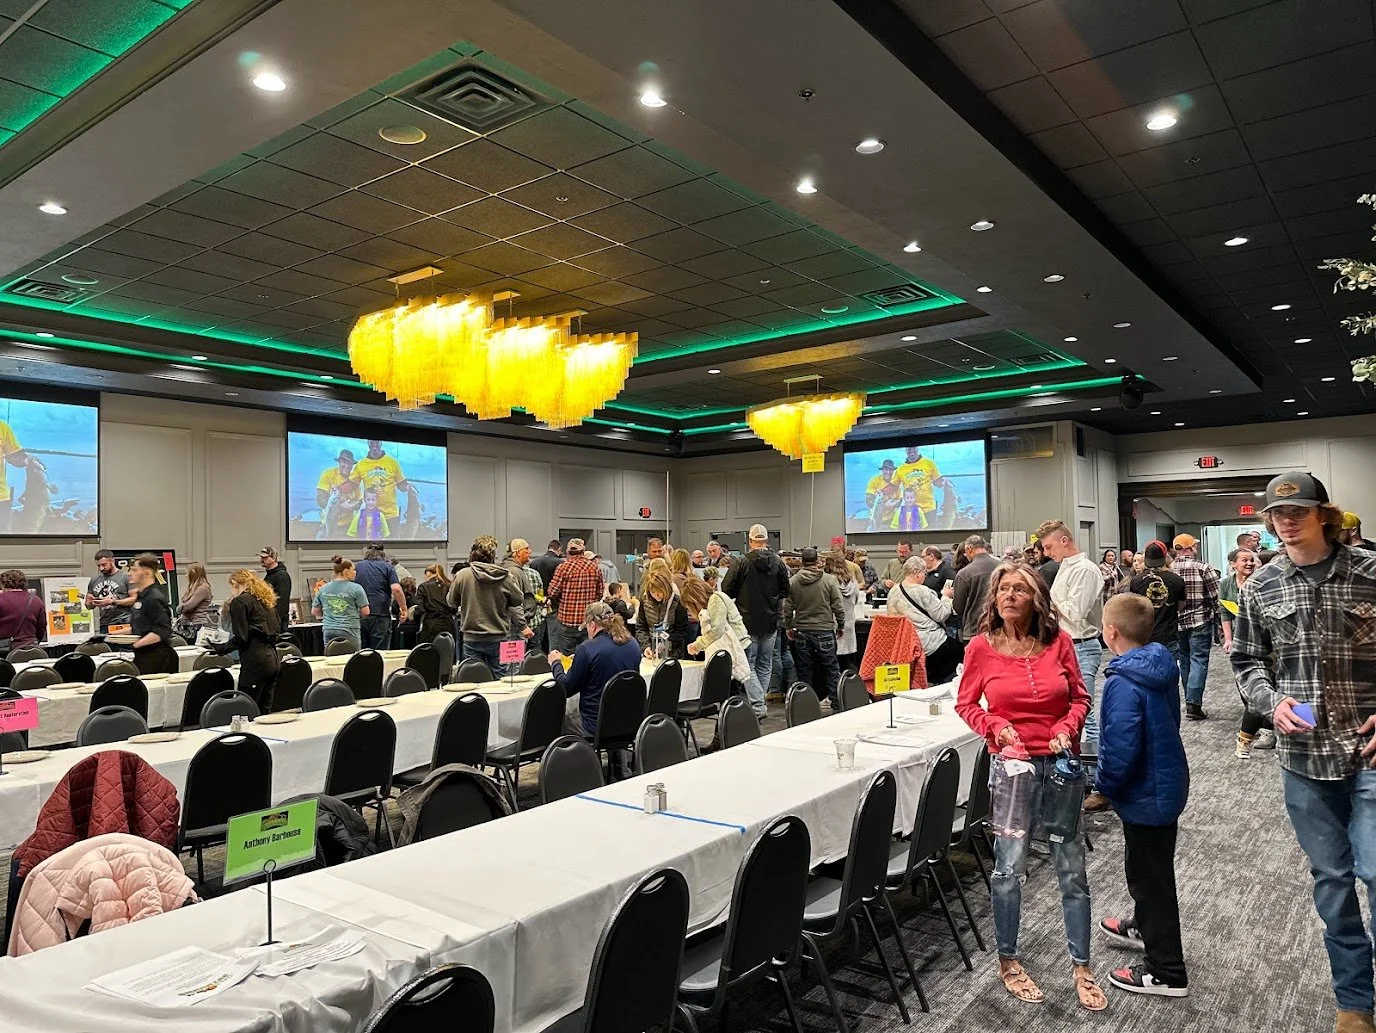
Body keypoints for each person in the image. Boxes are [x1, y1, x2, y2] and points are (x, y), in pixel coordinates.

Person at [1230, 471, 1376, 1033]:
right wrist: (1271, 704)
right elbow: (1247, 662)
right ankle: (1355, 1005)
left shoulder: (1369, 572)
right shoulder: (1261, 585)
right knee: (1333, 881)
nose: (1286, 520)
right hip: (1306, 758)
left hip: (1368, 749)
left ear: (1323, 514)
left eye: (1298, 510)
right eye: (1277, 513)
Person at [955, 562, 1102, 1011]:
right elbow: (966, 703)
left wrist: (1067, 726)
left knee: (1071, 868)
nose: (1010, 596)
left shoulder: (1058, 643)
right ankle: (1008, 960)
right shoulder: (981, 648)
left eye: (1020, 589)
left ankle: (1081, 964)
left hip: (1060, 765)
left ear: (1036, 598)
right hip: (1013, 768)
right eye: (1004, 589)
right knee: (1008, 869)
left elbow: (1080, 697)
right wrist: (994, 724)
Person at [1095, 593, 1190, 998]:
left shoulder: (1123, 681)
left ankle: (1165, 970)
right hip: (1163, 783)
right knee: (1148, 871)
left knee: (1151, 881)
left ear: (1110, 632)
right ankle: (1143, 926)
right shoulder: (1159, 665)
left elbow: (1118, 749)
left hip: (1144, 792)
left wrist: (1102, 786)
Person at [1036, 520, 1105, 799]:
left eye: (1049, 547)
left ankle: (1101, 784)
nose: (1047, 553)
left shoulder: (1087, 571)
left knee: (1085, 716)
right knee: (1067, 715)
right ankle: (1079, 776)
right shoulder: (1066, 567)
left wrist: (1042, 599)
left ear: (1064, 541)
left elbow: (1074, 613)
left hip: (1083, 647)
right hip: (1064, 646)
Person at [549, 600, 642, 775]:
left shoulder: (587, 649)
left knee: (558, 720)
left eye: (587, 627)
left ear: (592, 624)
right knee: (614, 709)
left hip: (594, 725)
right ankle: (621, 769)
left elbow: (566, 688)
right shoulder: (633, 644)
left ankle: (582, 775)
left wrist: (556, 664)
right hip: (629, 721)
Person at [723, 523, 790, 716]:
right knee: (764, 663)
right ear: (766, 541)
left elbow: (727, 590)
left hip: (746, 622)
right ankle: (759, 703)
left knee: (748, 665)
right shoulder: (778, 562)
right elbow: (786, 590)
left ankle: (758, 705)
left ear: (750, 541)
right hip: (771, 621)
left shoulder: (741, 562)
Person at [1219, 547, 1275, 759]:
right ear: (1233, 564)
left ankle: (1266, 731)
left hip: (1265, 639)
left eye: (1252, 560)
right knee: (1247, 686)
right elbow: (1225, 612)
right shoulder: (1226, 584)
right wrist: (1228, 639)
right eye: (1245, 560)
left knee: (1267, 685)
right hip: (1242, 637)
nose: (1249, 563)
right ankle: (1259, 724)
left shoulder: (1262, 582)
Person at [449, 535, 527, 671]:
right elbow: (518, 600)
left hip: (471, 637)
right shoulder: (505, 576)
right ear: (493, 556)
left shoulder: (462, 575)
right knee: (501, 680)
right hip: (499, 637)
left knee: (473, 678)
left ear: (472, 554)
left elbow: (451, 602)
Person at [784, 547, 844, 707]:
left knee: (804, 670)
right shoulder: (829, 580)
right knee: (831, 669)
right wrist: (841, 625)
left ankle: (806, 706)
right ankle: (836, 703)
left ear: (802, 562)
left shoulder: (793, 582)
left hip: (802, 631)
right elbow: (837, 605)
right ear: (817, 561)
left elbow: (787, 607)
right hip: (824, 629)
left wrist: (789, 626)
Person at [887, 556, 962, 684]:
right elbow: (940, 615)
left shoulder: (893, 592)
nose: (925, 577)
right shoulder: (923, 591)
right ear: (918, 574)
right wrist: (946, 597)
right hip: (930, 643)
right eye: (924, 573)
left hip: (906, 645)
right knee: (961, 651)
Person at [1169, 533, 1219, 721]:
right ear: (1190, 548)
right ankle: (1193, 703)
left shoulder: (1170, 569)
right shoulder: (1203, 567)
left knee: (1185, 660)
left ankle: (1189, 700)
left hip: (1177, 622)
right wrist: (1220, 622)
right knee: (1199, 660)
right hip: (1200, 620)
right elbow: (1216, 595)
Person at [214, 570, 281, 709]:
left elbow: (241, 637)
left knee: (246, 707)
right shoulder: (265, 600)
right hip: (273, 658)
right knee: (264, 708)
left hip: (255, 660)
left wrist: (221, 648)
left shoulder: (239, 602)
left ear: (235, 584)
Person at [546, 538, 605, 656]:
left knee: (567, 658)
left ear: (568, 552)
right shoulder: (595, 568)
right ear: (583, 551)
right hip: (588, 621)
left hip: (567, 621)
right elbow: (600, 593)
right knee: (587, 655)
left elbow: (552, 592)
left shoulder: (563, 567)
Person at [1127, 542, 1187, 658]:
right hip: (1168, 634)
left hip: (1144, 635)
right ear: (1165, 557)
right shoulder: (1177, 580)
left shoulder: (1136, 581)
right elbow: (1181, 606)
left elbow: (1134, 608)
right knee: (1169, 672)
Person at [126, 553, 178, 675]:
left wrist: (135, 644)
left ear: (147, 573)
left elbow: (162, 630)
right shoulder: (142, 596)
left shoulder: (154, 598)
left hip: (158, 658)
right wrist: (108, 636)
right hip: (143, 655)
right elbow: (141, 626)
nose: (129, 573)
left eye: (134, 570)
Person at [312, 556, 370, 652]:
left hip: (328, 629)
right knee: (352, 659)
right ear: (346, 571)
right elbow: (366, 612)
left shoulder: (323, 588)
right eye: (353, 570)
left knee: (330, 657)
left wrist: (328, 613)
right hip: (349, 629)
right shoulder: (356, 588)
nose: (355, 572)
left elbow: (315, 611)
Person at [353, 544, 406, 650]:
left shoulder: (357, 567)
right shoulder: (388, 567)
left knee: (361, 652)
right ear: (382, 554)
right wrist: (403, 608)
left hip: (360, 614)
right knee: (379, 653)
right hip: (380, 614)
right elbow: (396, 589)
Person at [951, 534, 998, 643]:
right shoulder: (1003, 567)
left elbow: (958, 608)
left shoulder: (964, 574)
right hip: (1000, 631)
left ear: (969, 549)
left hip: (974, 632)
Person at [351, 439, 408, 527]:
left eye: (377, 441)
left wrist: (408, 487)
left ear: (381, 443)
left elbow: (402, 485)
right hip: (370, 514)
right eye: (371, 441)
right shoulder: (361, 464)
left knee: (393, 541)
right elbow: (351, 485)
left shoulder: (393, 462)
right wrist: (338, 489)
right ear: (368, 443)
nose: (374, 443)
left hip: (391, 515)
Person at [636, 570, 687, 660]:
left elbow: (682, 630)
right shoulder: (644, 602)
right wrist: (646, 647)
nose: (657, 595)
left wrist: (666, 644)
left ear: (666, 588)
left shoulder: (677, 602)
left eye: (660, 591)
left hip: (673, 652)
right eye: (653, 592)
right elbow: (641, 627)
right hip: (651, 652)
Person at [502, 539, 545, 642]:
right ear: (518, 553)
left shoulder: (512, 569)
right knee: (515, 658)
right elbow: (514, 603)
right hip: (515, 628)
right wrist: (523, 626)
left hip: (514, 625)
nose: (530, 551)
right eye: (526, 549)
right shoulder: (514, 571)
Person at [316, 448, 361, 536]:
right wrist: (341, 506)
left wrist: (351, 507)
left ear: (352, 465)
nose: (347, 466)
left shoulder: (354, 479)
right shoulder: (328, 474)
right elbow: (320, 499)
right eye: (344, 462)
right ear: (339, 461)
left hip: (347, 525)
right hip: (327, 524)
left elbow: (360, 502)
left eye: (349, 463)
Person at [85, 548, 132, 633]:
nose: (101, 568)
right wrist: (89, 602)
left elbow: (134, 599)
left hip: (123, 621)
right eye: (99, 566)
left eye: (104, 565)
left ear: (112, 561)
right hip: (105, 623)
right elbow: (89, 606)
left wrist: (113, 602)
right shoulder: (94, 580)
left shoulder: (125, 577)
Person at [829, 554, 861, 672]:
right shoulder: (854, 583)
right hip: (849, 623)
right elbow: (857, 600)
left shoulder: (829, 582)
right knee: (848, 661)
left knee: (834, 664)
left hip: (834, 625)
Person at [412, 564, 456, 645]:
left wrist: (416, 623)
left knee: (430, 654)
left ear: (428, 573)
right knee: (448, 653)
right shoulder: (449, 585)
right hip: (449, 624)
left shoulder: (423, 587)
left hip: (431, 625)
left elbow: (420, 609)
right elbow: (454, 608)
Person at [0, 569, 42, 648]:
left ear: (3, 585)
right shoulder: (36, 600)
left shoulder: (1, 599)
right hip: (31, 648)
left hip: (4, 650)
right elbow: (41, 628)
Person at [175, 562, 216, 640]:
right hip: (189, 624)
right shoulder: (193, 588)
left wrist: (179, 608)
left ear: (193, 573)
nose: (186, 575)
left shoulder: (203, 588)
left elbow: (189, 606)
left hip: (196, 625)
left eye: (188, 572)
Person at [258, 546, 292, 630]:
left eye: (265, 557)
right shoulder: (270, 575)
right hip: (270, 618)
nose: (262, 560)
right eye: (261, 557)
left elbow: (282, 601)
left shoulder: (281, 576)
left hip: (277, 621)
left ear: (273, 558)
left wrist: (275, 619)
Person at [865, 458, 904, 530]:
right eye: (886, 469)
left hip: (891, 519)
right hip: (874, 518)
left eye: (890, 470)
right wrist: (884, 506)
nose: (888, 472)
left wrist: (894, 504)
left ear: (893, 471)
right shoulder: (874, 481)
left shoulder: (896, 483)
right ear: (882, 470)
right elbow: (869, 501)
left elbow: (900, 501)